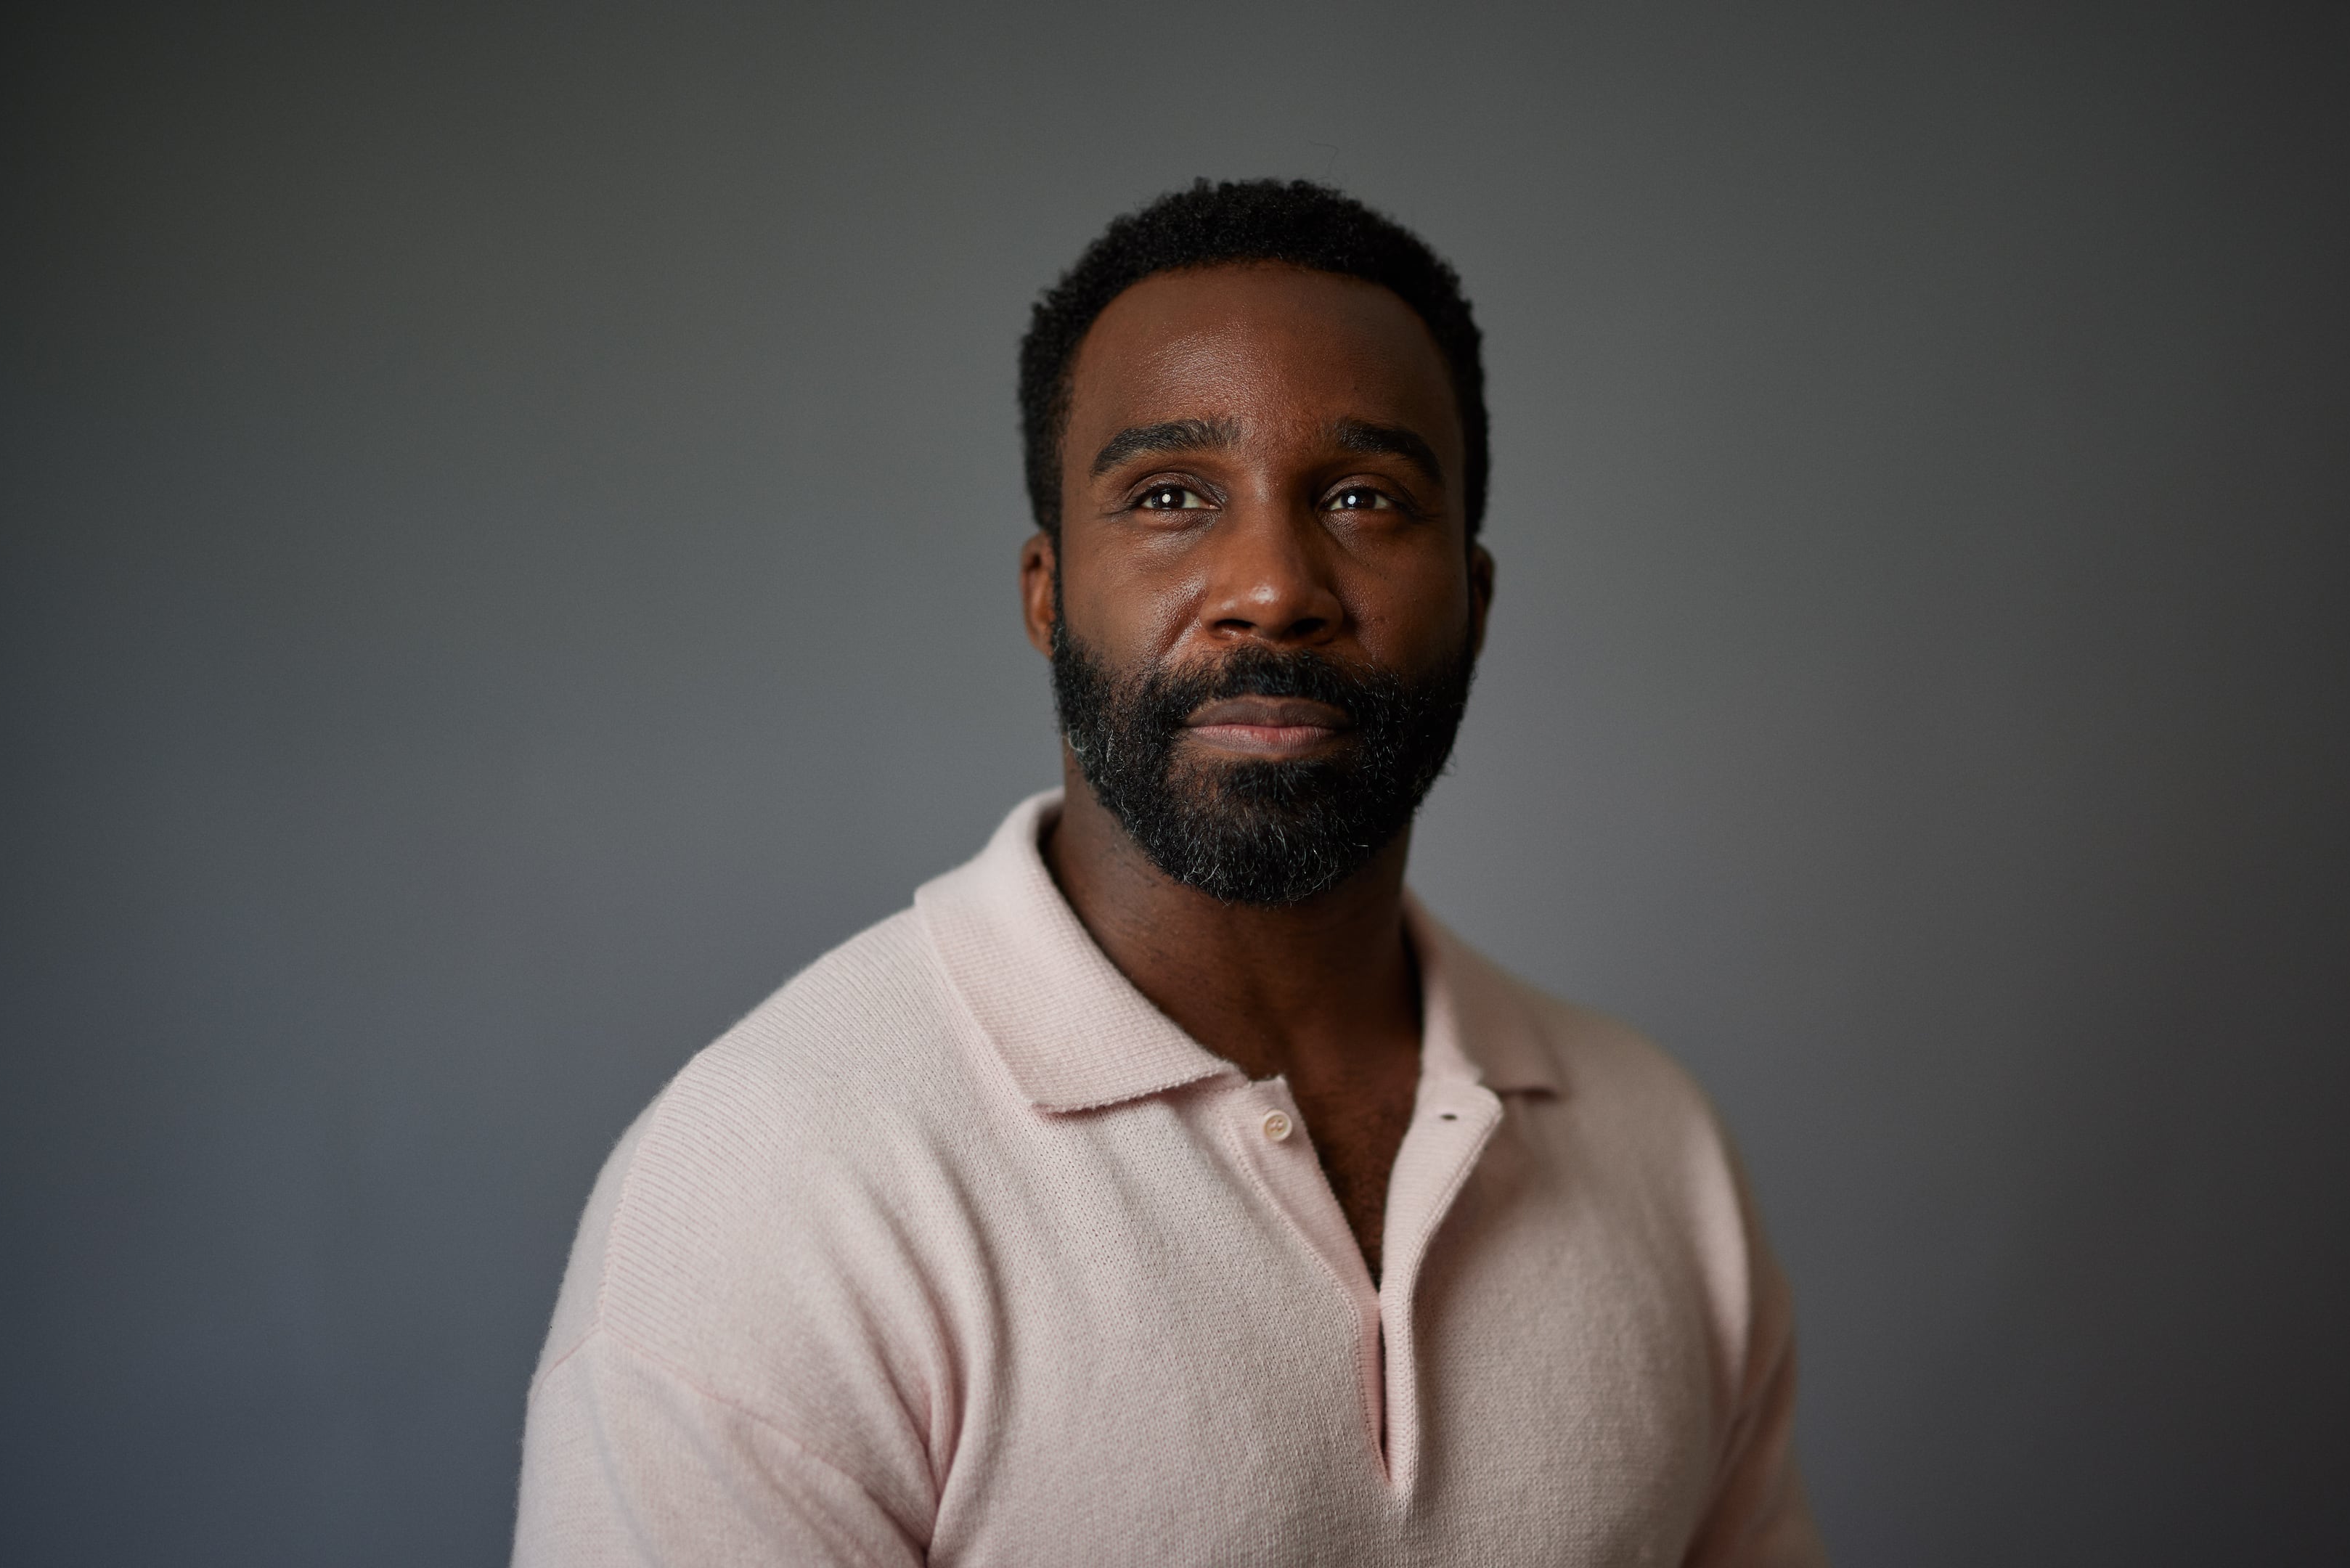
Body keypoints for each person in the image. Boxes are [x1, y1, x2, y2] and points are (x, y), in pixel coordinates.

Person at [513, 178, 1829, 1567]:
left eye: (1365, 498)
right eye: (1171, 497)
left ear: (1476, 599)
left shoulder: (1657, 1143)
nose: (1273, 586)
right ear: (1046, 593)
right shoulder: (776, 1183)